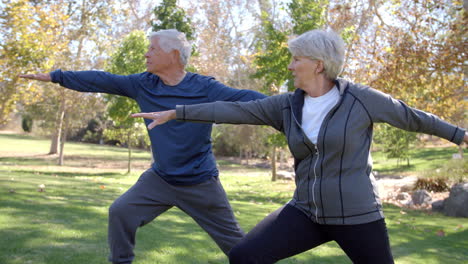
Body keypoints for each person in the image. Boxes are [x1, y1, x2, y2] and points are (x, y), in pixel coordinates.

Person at [131, 29, 468, 264]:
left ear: (318, 64)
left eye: (296, 59)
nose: (290, 65)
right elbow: (233, 110)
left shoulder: (361, 100)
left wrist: (459, 135)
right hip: (306, 211)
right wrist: (178, 112)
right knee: (245, 256)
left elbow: (411, 117)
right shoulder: (286, 106)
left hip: (358, 216)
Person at [19, 29, 266, 264]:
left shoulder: (204, 87)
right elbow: (102, 80)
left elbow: (245, 98)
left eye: (152, 49)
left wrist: (290, 105)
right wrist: (57, 77)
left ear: (174, 55)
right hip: (159, 180)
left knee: (239, 249)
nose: (146, 53)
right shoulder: (143, 83)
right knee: (120, 211)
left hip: (201, 183)